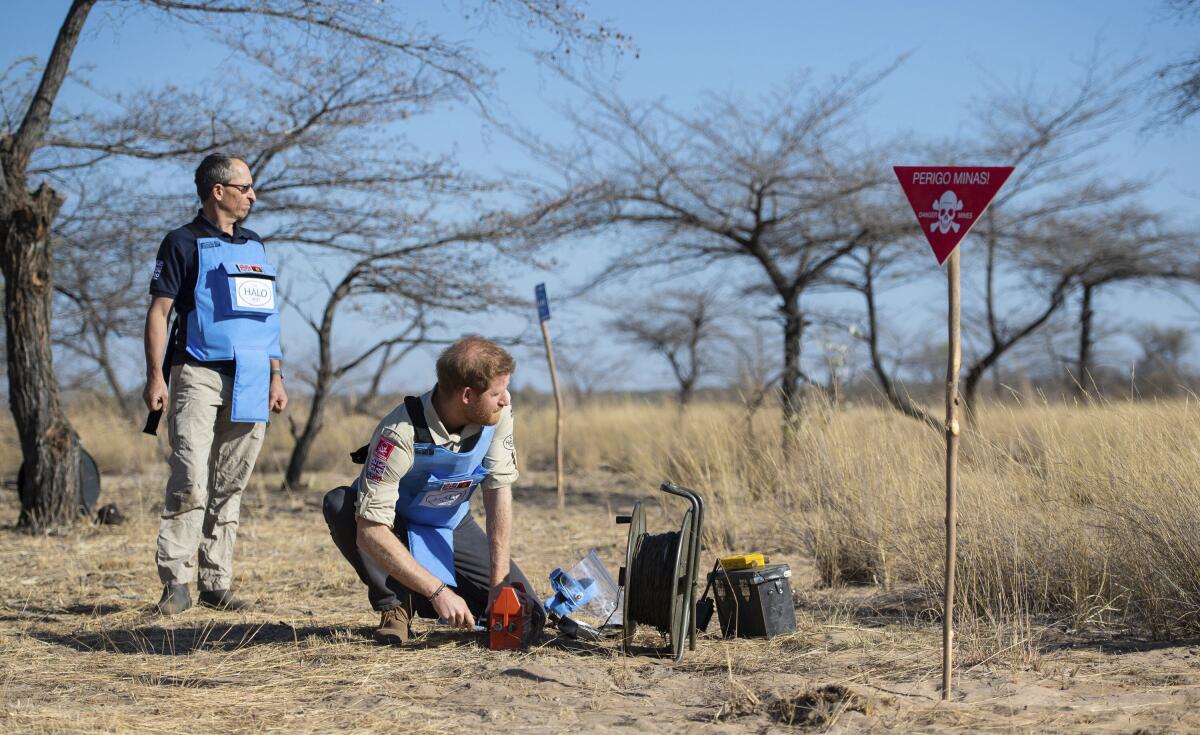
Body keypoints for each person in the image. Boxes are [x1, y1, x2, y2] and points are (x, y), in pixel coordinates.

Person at [322, 336, 544, 644]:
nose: (506, 399)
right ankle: (396, 604)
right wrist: (437, 591)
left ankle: (425, 594)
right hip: (393, 526)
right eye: (496, 393)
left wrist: (498, 583)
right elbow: (370, 531)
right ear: (467, 395)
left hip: (450, 523)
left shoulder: (497, 416)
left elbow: (498, 493)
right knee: (339, 503)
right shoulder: (398, 434)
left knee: (529, 616)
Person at [143, 153, 287, 615]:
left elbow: (266, 320)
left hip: (251, 377)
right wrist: (154, 376)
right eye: (245, 187)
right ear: (217, 191)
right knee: (191, 478)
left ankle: (215, 582)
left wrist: (276, 376)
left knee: (230, 483)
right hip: (197, 373)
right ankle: (176, 583)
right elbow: (159, 313)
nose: (253, 195)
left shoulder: (255, 245)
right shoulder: (182, 242)